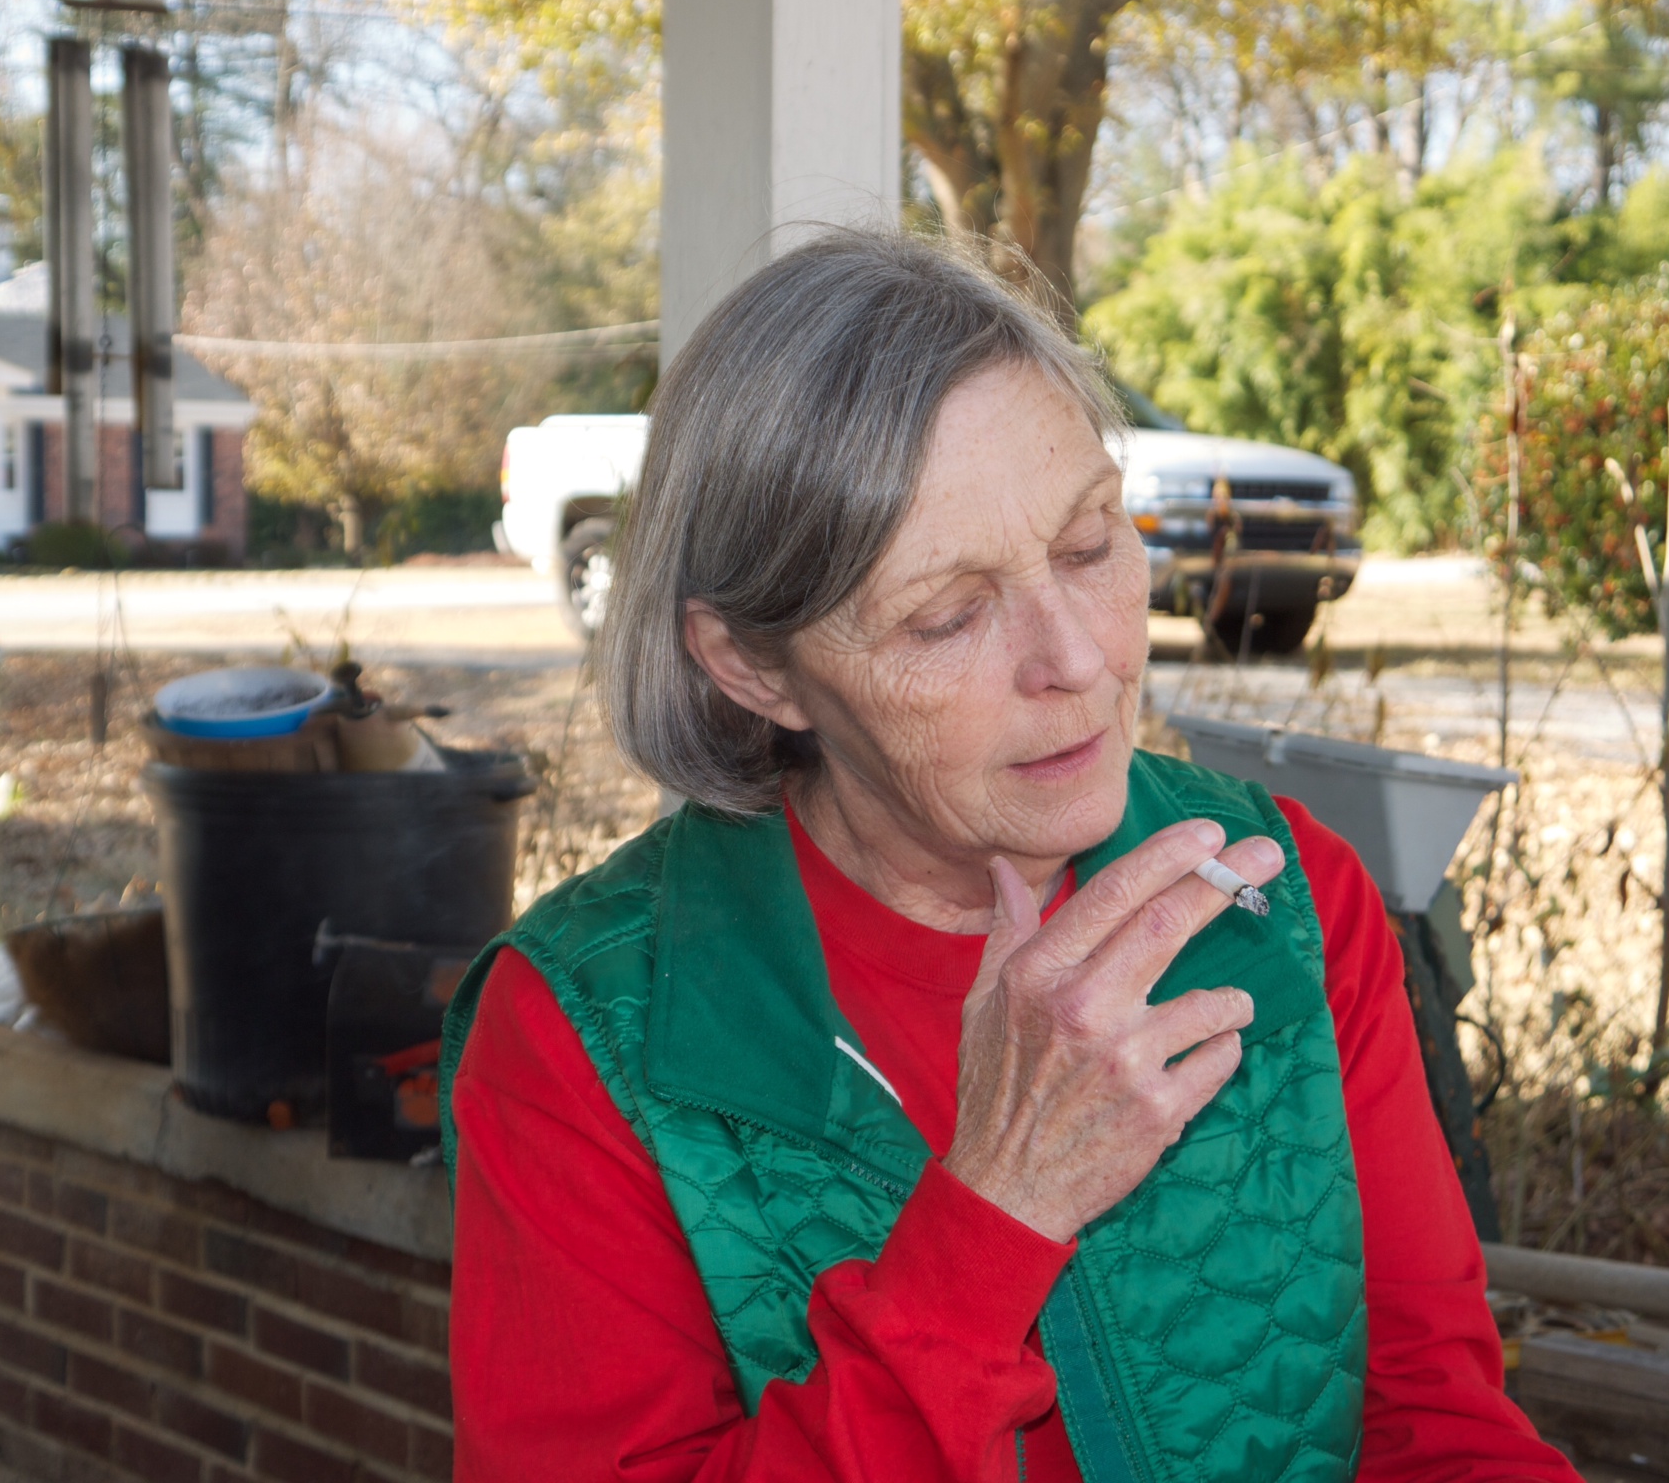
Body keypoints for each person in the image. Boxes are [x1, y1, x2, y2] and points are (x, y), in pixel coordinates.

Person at [440, 231, 1577, 1483]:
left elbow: (1434, 1415)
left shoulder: (1277, 892)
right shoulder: (586, 1030)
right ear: (754, 666)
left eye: (1091, 545)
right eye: (946, 614)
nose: (1080, 660)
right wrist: (993, 1215)